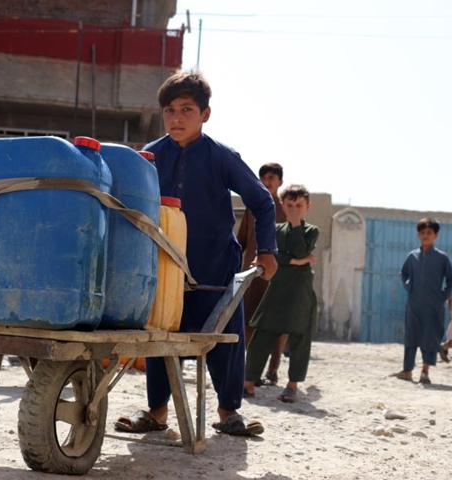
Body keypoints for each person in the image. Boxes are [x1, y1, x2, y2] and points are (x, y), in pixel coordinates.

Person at [114, 71, 278, 437]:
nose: (177, 118)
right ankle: (156, 414)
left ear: (205, 114)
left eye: (186, 109)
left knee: (224, 339)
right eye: (169, 110)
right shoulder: (149, 156)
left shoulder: (222, 157)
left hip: (215, 267)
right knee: (161, 334)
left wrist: (266, 251)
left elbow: (262, 201)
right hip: (165, 265)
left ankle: (229, 412)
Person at [244, 185, 319, 402]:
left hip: (301, 293)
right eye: (290, 205)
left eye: (299, 206)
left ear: (307, 207)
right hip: (277, 290)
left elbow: (300, 250)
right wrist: (297, 261)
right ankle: (248, 383)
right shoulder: (275, 230)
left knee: (299, 340)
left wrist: (295, 228)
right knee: (262, 335)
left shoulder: (311, 231)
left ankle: (292, 386)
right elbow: (272, 256)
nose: (294, 209)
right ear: (282, 206)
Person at [237, 162, 288, 387]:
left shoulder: (285, 210)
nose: (267, 183)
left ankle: (272, 370)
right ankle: (247, 370)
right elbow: (241, 240)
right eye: (264, 178)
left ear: (280, 182)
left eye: (272, 179)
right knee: (247, 319)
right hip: (251, 273)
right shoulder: (252, 207)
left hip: (276, 275)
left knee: (276, 324)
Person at [390, 218, 452, 385]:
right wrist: (409, 286)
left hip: (433, 306)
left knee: (430, 337)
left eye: (429, 233)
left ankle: (425, 372)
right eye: (422, 232)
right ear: (418, 235)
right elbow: (404, 273)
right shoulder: (412, 256)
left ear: (436, 235)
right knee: (411, 337)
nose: (425, 236)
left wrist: (443, 296)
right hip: (414, 304)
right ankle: (407, 370)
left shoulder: (442, 258)